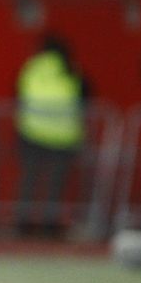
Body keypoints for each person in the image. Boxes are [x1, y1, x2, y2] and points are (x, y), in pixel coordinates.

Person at [13, 35, 87, 235]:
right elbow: (86, 96)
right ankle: (50, 224)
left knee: (29, 180)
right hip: (63, 137)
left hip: (32, 133)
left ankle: (24, 223)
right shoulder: (71, 70)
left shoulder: (32, 68)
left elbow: (18, 94)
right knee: (56, 183)